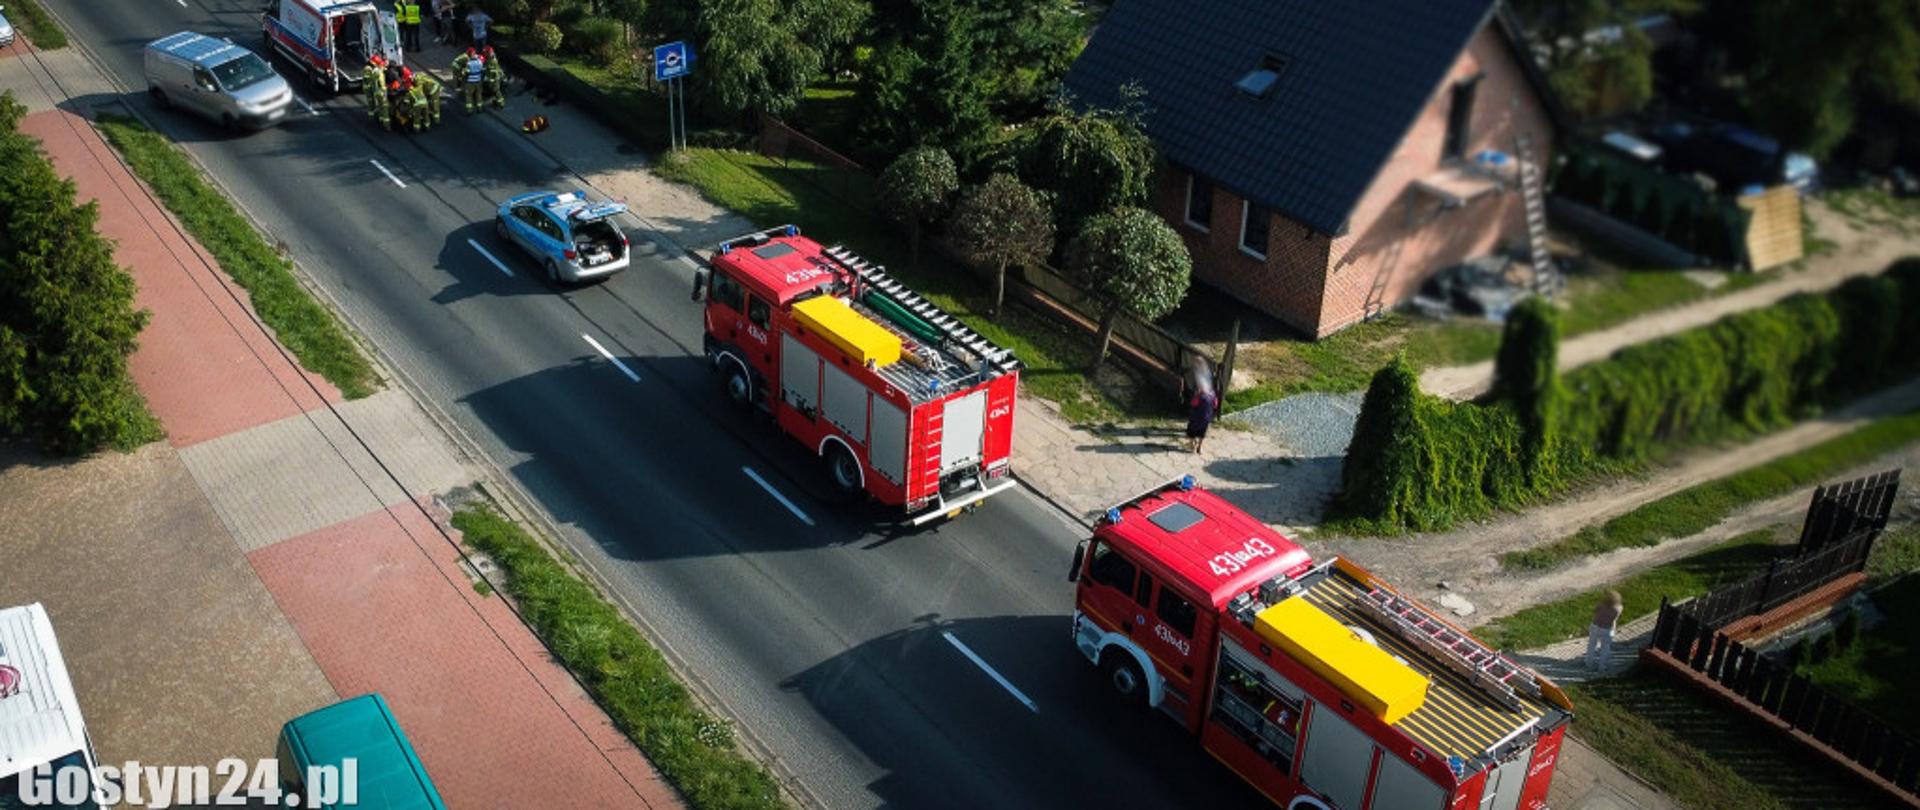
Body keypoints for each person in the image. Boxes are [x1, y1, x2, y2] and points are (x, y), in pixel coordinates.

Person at [1586, 590, 1624, 671]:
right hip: (1607, 629)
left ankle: (1589, 664)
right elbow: (1615, 619)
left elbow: (1595, 612)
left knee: (1591, 645)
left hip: (1595, 626)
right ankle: (1602, 667)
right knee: (1605, 648)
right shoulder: (1618, 608)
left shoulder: (1601, 605)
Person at [1185, 386, 1218, 454]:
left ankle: (1192, 445)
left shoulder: (1199, 397)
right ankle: (1199, 447)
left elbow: (1193, 404)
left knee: (1191, 433)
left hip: (1195, 419)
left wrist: (1197, 395)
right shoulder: (1213, 395)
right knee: (1202, 434)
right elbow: (1215, 405)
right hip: (1206, 419)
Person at [452, 47, 484, 113]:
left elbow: (466, 72)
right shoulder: (479, 62)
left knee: (469, 96)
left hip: (470, 82)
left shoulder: (469, 64)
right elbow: (482, 70)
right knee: (478, 94)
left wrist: (463, 75)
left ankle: (469, 110)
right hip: (478, 81)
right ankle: (479, 108)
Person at [482, 45, 505, 110]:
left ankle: (501, 104)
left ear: (488, 52)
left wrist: (489, 79)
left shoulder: (492, 61)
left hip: (494, 80)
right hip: (493, 79)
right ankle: (498, 102)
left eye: (485, 52)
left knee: (496, 92)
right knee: (495, 92)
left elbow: (492, 72)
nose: (484, 53)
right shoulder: (490, 58)